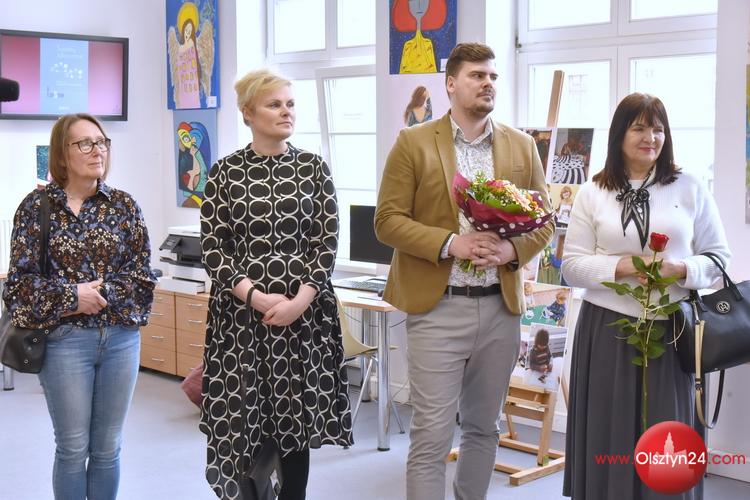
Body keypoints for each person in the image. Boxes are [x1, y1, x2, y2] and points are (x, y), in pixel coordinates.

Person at [375, 42, 554, 500]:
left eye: (492, 76)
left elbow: (546, 221)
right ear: (451, 84)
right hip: (438, 308)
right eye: (477, 75)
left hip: (500, 309)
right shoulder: (414, 142)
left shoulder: (521, 145)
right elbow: (387, 221)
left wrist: (511, 249)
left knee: (483, 427)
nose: (487, 83)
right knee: (432, 435)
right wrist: (451, 243)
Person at [561, 93, 730, 500]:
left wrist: (682, 269)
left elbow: (719, 260)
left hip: (674, 332)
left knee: (667, 433)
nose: (650, 138)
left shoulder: (689, 187)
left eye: (657, 129)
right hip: (605, 330)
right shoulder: (591, 192)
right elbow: (571, 267)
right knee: (609, 428)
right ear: (619, 134)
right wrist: (621, 267)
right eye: (639, 128)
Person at [199, 68, 353, 500]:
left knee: (294, 422)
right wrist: (254, 296)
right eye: (274, 104)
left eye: (290, 104)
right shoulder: (225, 172)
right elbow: (213, 247)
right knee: (245, 417)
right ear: (248, 113)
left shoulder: (313, 168)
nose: (286, 112)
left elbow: (326, 241)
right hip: (241, 319)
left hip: (304, 317)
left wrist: (299, 301)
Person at [2, 113, 156, 500]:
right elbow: (19, 286)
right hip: (64, 341)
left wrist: (97, 294)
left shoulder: (124, 206)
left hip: (121, 340)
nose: (97, 150)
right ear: (62, 154)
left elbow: (142, 278)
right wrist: (73, 298)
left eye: (101, 142)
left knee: (108, 449)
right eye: (84, 143)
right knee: (72, 448)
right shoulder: (36, 207)